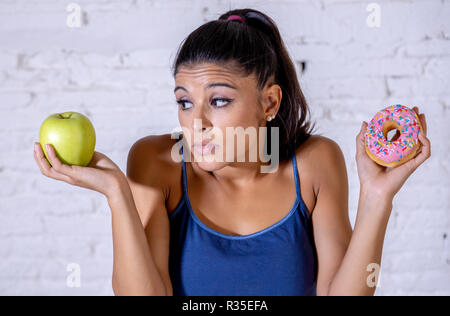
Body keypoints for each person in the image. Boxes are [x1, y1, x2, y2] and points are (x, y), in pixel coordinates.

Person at [33, 8, 431, 296]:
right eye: (184, 102)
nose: (196, 122)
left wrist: (377, 199)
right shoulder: (156, 163)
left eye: (219, 101)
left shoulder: (314, 163)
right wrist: (118, 195)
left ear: (270, 102)